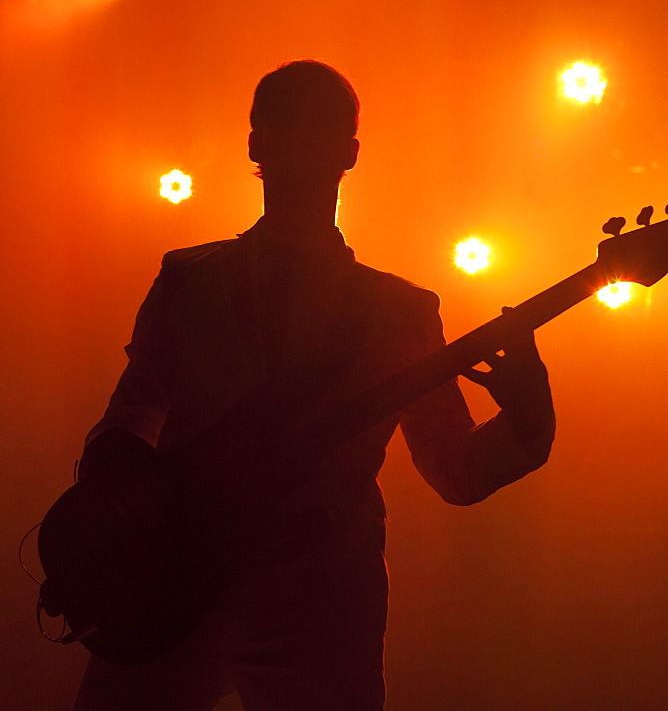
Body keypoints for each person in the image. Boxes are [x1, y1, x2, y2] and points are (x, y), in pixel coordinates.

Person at [71, 60, 555, 711]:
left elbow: (455, 469)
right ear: (254, 143)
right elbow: (135, 409)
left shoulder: (398, 311)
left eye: (317, 129)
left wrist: (528, 421)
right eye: (286, 125)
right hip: (177, 568)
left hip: (318, 596)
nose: (300, 143)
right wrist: (119, 476)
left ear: (349, 153)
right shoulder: (186, 280)